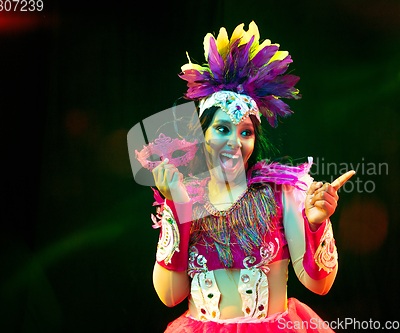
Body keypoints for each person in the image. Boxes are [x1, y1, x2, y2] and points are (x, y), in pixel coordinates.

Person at [148, 22, 354, 332]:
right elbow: (169, 295)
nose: (234, 142)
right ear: (201, 135)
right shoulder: (184, 197)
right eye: (222, 129)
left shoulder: (282, 192)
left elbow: (318, 286)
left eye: (245, 132)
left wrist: (315, 223)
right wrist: (175, 208)